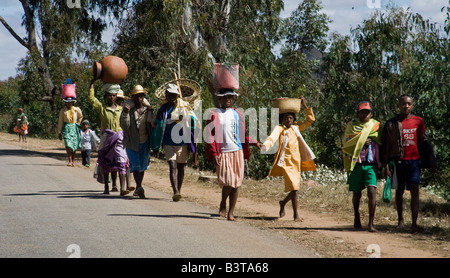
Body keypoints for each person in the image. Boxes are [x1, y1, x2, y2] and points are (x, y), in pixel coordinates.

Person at [381, 95, 437, 233]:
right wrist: (386, 166)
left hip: (414, 162)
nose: (406, 106)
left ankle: (414, 223)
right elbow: (386, 146)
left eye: (409, 104)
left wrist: (431, 162)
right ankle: (400, 221)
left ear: (412, 105)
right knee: (399, 191)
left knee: (415, 191)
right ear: (399, 105)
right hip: (399, 161)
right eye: (403, 104)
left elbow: (424, 142)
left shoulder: (418, 121)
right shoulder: (391, 124)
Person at [258, 96, 315, 221]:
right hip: (285, 162)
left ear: (294, 119)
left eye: (290, 118)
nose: (288, 120)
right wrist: (265, 146)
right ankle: (296, 215)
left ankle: (283, 203)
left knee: (295, 189)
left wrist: (305, 105)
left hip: (296, 162)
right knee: (294, 188)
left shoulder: (296, 128)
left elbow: (310, 120)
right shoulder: (279, 129)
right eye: (285, 118)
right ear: (281, 120)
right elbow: (271, 138)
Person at [205, 88, 258, 221]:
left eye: (230, 97)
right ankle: (223, 202)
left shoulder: (237, 114)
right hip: (223, 152)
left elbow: (241, 134)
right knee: (228, 181)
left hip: (237, 151)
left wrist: (255, 142)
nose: (228, 99)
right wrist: (214, 153)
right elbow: (209, 136)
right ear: (219, 99)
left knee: (236, 184)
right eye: (225, 97)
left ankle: (231, 212)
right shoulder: (213, 114)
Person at [151, 83, 198, 202]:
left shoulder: (184, 107)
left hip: (182, 142)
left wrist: (186, 119)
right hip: (168, 142)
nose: (171, 98)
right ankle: (175, 191)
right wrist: (156, 147)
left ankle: (179, 190)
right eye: (169, 95)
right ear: (166, 96)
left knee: (181, 167)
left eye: (173, 95)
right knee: (172, 165)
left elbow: (194, 123)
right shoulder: (163, 110)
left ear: (177, 96)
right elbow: (157, 127)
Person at [342, 101, 382, 232]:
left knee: (372, 190)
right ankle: (356, 216)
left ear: (371, 113)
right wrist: (361, 141)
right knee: (357, 193)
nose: (365, 114)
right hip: (357, 163)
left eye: (367, 112)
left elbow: (382, 141)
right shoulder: (351, 126)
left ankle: (371, 222)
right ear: (358, 113)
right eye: (362, 112)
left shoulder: (376, 126)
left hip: (371, 164)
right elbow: (346, 142)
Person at [88, 80, 129, 196]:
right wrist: (92, 84)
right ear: (106, 96)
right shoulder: (102, 109)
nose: (112, 97)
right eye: (110, 95)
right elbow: (92, 100)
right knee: (105, 163)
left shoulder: (122, 110)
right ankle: (106, 186)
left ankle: (122, 188)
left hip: (119, 139)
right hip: (107, 139)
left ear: (117, 97)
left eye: (114, 95)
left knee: (121, 162)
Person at [121, 85, 154, 199]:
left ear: (143, 97)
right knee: (135, 166)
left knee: (143, 166)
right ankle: (139, 186)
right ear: (133, 98)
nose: (139, 98)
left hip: (145, 142)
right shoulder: (129, 111)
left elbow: (152, 123)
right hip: (132, 142)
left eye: (141, 96)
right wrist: (125, 112)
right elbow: (124, 126)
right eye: (136, 96)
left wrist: (151, 111)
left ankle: (138, 187)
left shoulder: (147, 110)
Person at [57, 96, 83, 167]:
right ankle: (70, 160)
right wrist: (59, 131)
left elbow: (80, 116)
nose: (69, 104)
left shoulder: (76, 109)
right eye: (67, 102)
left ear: (72, 102)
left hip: (74, 128)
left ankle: (73, 160)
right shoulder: (63, 111)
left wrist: (78, 124)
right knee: (68, 144)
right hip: (67, 128)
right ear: (65, 103)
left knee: (74, 145)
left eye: (70, 102)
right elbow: (60, 121)